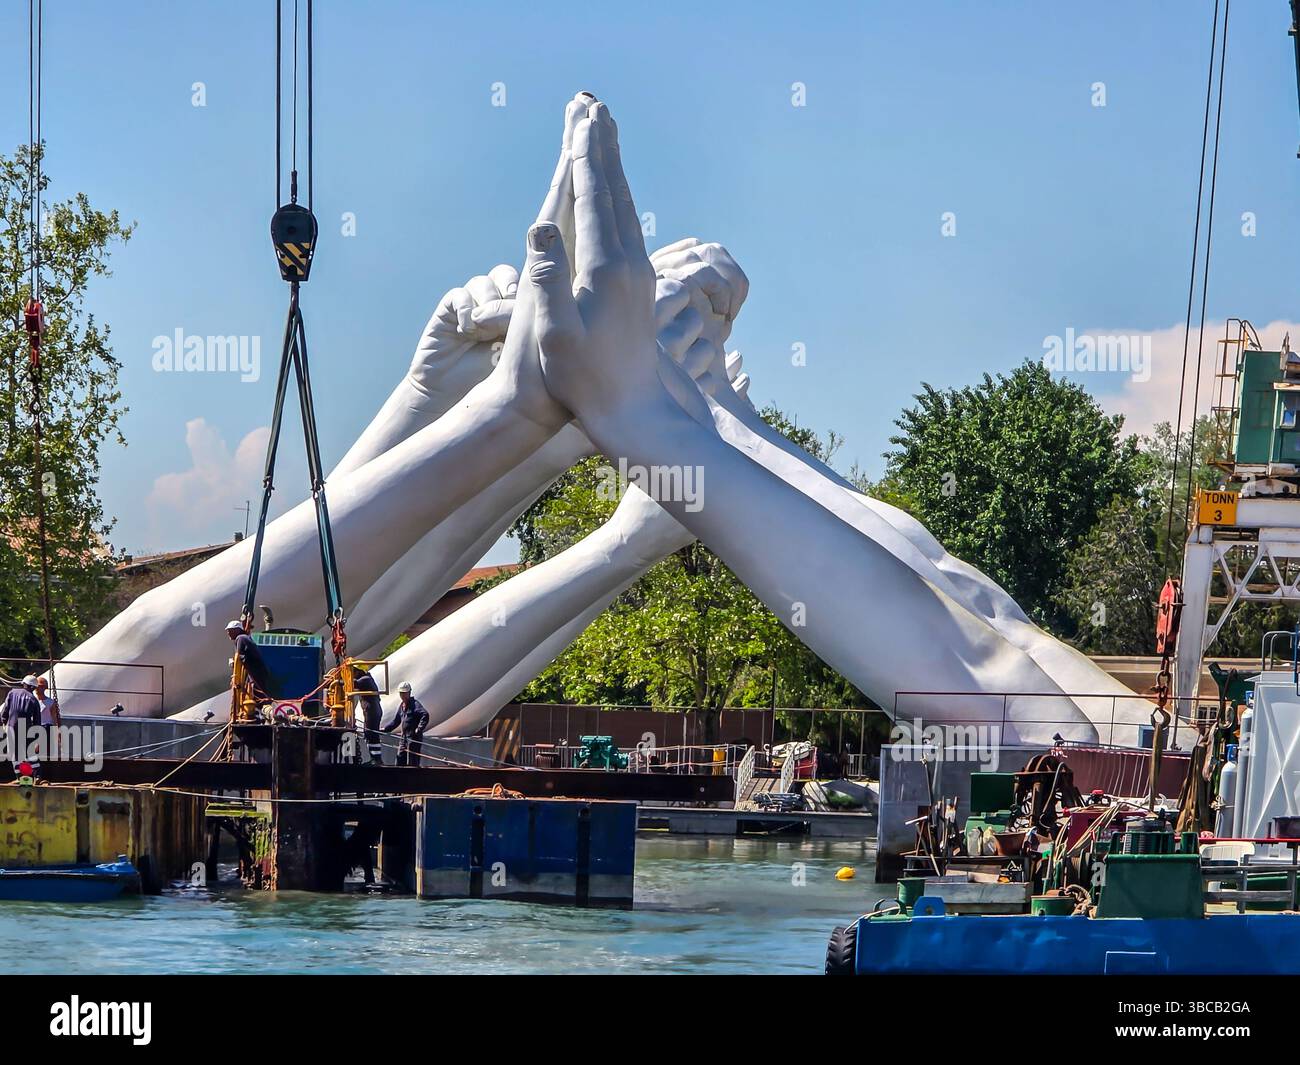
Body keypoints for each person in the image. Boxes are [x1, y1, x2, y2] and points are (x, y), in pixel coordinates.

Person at [2, 676, 42, 776]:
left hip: (11, 727)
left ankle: (19, 778)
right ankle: (37, 777)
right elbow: (37, 721)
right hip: (26, 728)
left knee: (15, 755)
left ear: (23, 683)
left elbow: (5, 711)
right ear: (34, 688)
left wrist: (3, 722)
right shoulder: (34, 700)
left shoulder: (12, 693)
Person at [383, 681, 429, 767]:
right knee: (400, 758)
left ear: (409, 693)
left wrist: (419, 729)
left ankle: (413, 778)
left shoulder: (415, 705)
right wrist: (386, 729)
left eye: (404, 693)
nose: (403, 695)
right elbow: (396, 721)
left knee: (413, 761)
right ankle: (399, 777)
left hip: (413, 738)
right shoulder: (402, 706)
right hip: (404, 738)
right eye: (401, 693)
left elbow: (425, 714)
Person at [225, 621, 274, 698]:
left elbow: (240, 658)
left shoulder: (240, 638)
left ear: (237, 630)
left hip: (255, 674)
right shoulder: (246, 638)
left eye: (230, 630)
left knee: (258, 695)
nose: (228, 633)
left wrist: (233, 663)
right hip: (259, 672)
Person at [352, 668, 384, 764]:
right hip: (371, 711)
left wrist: (338, 681)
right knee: (369, 734)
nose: (352, 675)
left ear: (358, 671)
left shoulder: (365, 679)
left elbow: (353, 684)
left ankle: (376, 759)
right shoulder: (367, 679)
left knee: (371, 734)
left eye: (353, 672)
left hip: (372, 711)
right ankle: (374, 758)